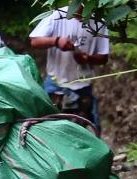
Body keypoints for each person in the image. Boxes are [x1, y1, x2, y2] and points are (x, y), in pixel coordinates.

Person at [29, 5, 109, 134]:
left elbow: (103, 57)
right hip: (55, 83)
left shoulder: (99, 21)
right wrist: (56, 41)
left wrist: (87, 58)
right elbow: (34, 41)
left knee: (83, 129)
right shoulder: (57, 15)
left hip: (83, 85)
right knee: (48, 126)